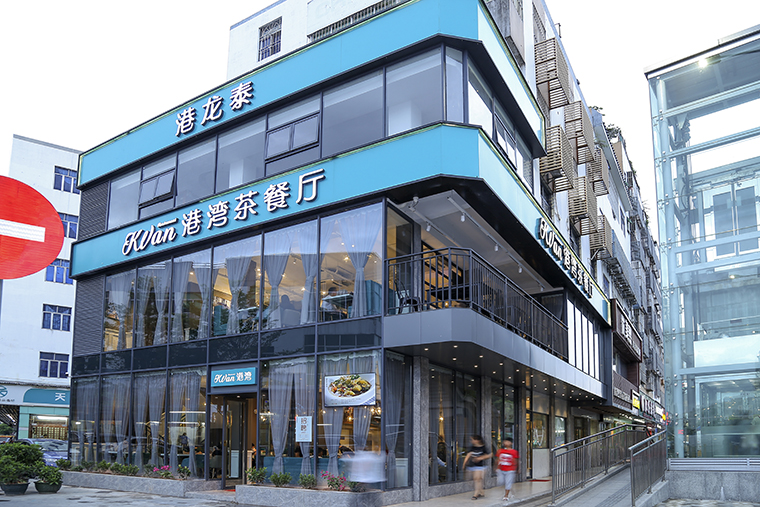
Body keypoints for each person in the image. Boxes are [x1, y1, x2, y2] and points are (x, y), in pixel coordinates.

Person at [464, 435, 491, 500]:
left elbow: (489, 455)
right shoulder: (472, 447)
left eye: (472, 439)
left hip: (480, 466)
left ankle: (476, 494)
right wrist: (464, 463)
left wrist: (480, 458)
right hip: (472, 466)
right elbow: (468, 455)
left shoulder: (483, 447)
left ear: (477, 440)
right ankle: (481, 491)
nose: (471, 441)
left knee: (477, 479)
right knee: (470, 480)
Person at [495, 438, 518, 503]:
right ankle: (510, 489)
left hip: (510, 469)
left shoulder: (514, 452)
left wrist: (516, 468)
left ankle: (506, 495)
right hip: (501, 469)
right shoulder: (500, 451)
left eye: (508, 442)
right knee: (500, 482)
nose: (506, 443)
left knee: (508, 482)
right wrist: (496, 467)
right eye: (505, 442)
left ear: (511, 443)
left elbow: (516, 460)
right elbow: (497, 459)